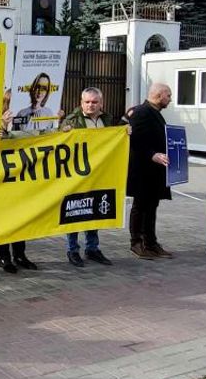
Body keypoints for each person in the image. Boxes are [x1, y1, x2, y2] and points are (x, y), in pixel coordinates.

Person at [0, 92, 63, 273]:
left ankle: (20, 254)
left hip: (24, 174)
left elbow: (41, 136)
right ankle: (4, 257)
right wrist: (3, 124)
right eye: (10, 103)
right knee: (4, 218)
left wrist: (56, 123)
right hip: (4, 175)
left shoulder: (28, 118)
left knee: (21, 217)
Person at [59, 86, 117, 267]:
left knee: (95, 210)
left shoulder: (107, 120)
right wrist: (63, 132)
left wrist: (124, 133)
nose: (91, 105)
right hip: (77, 175)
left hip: (99, 173)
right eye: (87, 102)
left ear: (101, 103)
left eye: (94, 102)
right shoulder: (72, 121)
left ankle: (92, 248)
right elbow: (60, 140)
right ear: (81, 103)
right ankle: (73, 250)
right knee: (74, 211)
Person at [126, 82, 174, 260]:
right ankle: (136, 243)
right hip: (142, 170)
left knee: (152, 206)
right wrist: (152, 154)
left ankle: (151, 242)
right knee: (140, 206)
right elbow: (135, 140)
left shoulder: (154, 113)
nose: (170, 99)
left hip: (155, 171)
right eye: (168, 95)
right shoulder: (141, 112)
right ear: (160, 95)